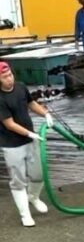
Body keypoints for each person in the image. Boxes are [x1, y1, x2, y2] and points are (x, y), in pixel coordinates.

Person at [0, 61, 54, 227]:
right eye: (4, 77)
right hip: (12, 144)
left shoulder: (21, 87)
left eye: (10, 75)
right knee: (18, 180)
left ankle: (34, 197)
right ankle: (25, 215)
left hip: (31, 139)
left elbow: (31, 104)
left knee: (39, 173)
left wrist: (45, 114)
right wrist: (30, 133)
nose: (9, 79)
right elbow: (9, 124)